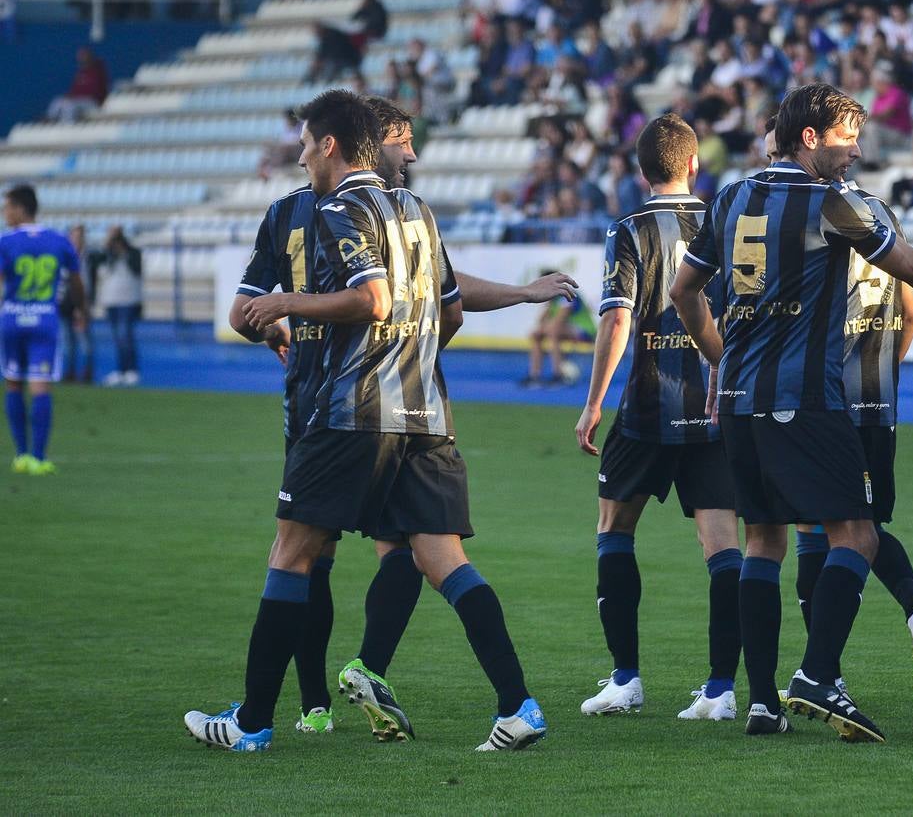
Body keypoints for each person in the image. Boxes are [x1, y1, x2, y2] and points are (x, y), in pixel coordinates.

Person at [184, 89, 548, 754]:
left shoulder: (338, 208)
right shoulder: (417, 211)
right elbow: (452, 312)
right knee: (445, 559)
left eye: (303, 143)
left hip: (350, 410)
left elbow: (373, 298)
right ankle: (519, 706)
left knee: (292, 554)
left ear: (329, 145)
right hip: (426, 413)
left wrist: (289, 302)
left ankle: (252, 723)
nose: (299, 155)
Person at [671, 83, 913, 742]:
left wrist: (719, 355)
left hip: (741, 402)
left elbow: (685, 291)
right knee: (856, 534)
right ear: (810, 138)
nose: (857, 150)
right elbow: (912, 271)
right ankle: (818, 675)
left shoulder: (729, 197)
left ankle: (762, 705)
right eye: (847, 136)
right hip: (803, 398)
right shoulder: (831, 203)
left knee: (763, 541)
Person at [766, 118, 913, 699]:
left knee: (816, 535)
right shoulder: (882, 216)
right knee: (864, 528)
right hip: (880, 400)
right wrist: (886, 377)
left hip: (824, 398)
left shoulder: (815, 217)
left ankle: (826, 671)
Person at [572, 113, 742, 720]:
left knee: (614, 530)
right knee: (722, 546)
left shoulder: (629, 229)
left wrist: (593, 401)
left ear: (641, 171)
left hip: (645, 408)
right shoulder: (724, 220)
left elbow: (618, 317)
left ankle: (626, 679)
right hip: (713, 410)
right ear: (694, 164)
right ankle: (721, 690)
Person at [1, 184, 85, 475]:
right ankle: (38, 457)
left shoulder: (6, 241)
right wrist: (81, 311)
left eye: (7, 207)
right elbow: (76, 281)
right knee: (40, 386)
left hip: (12, 318)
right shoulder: (58, 240)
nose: (4, 213)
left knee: (13, 382)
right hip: (45, 319)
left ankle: (21, 455)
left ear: (21, 208)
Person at [90, 226, 143, 387]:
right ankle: (121, 370)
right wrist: (107, 243)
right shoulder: (107, 255)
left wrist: (123, 250)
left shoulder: (133, 253)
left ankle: (131, 370)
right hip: (111, 301)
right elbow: (94, 261)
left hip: (128, 301)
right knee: (118, 339)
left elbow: (136, 268)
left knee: (125, 336)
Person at [523, 280, 596, 387]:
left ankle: (558, 375)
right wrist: (546, 305)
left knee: (553, 330)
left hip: (586, 331)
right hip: (566, 331)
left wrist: (544, 327)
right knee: (536, 334)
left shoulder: (567, 295)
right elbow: (541, 321)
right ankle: (535, 376)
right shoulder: (552, 300)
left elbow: (559, 320)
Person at [59, 225, 93, 384]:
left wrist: (82, 307)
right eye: (73, 236)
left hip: (81, 304)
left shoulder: (86, 258)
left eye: (79, 237)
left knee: (83, 339)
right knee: (68, 340)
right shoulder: (64, 257)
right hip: (66, 304)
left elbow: (86, 284)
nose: (76, 240)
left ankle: (86, 372)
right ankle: (70, 371)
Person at [45, 47, 108, 123]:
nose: (81, 58)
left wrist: (74, 97)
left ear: (89, 56)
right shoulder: (81, 72)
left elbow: (94, 91)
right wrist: (70, 95)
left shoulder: (97, 71)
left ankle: (68, 127)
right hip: (79, 100)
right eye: (80, 56)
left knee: (69, 106)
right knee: (58, 101)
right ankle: (50, 121)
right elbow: (75, 89)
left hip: (93, 101)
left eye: (83, 56)